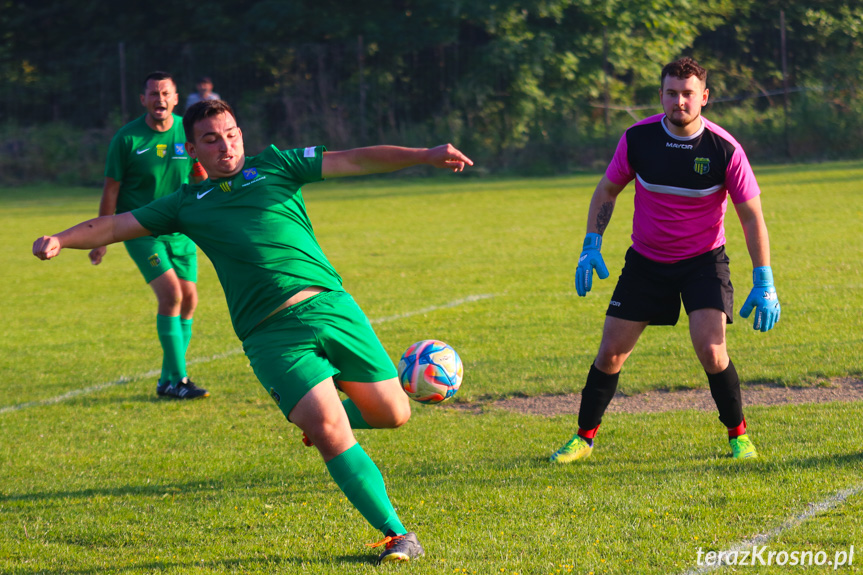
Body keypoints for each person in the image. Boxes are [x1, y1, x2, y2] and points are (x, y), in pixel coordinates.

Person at [33, 99, 473, 563]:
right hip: (270, 336)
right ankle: (398, 534)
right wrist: (61, 238)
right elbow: (117, 224)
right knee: (328, 428)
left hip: (333, 309)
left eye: (231, 134)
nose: (225, 145)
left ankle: (329, 417)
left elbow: (357, 158)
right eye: (211, 139)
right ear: (192, 149)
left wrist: (424, 153)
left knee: (393, 414)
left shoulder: (278, 165)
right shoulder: (185, 204)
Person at [549, 57, 781, 464]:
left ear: (704, 97)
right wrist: (591, 244)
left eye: (688, 93)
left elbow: (751, 216)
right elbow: (606, 190)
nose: (679, 101)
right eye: (671, 93)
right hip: (646, 261)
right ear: (661, 96)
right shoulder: (638, 139)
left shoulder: (725, 149)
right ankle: (583, 438)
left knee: (712, 351)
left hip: (703, 262)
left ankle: (738, 436)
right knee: (610, 354)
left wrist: (764, 280)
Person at [92, 71, 209, 400]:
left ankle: (167, 380)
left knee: (190, 301)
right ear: (143, 100)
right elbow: (111, 189)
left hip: (181, 229)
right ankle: (180, 380)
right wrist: (100, 236)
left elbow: (200, 177)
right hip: (141, 228)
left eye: (165, 93)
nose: (160, 99)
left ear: (175, 98)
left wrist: (202, 174)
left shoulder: (188, 130)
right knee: (171, 296)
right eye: (153, 94)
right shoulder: (127, 139)